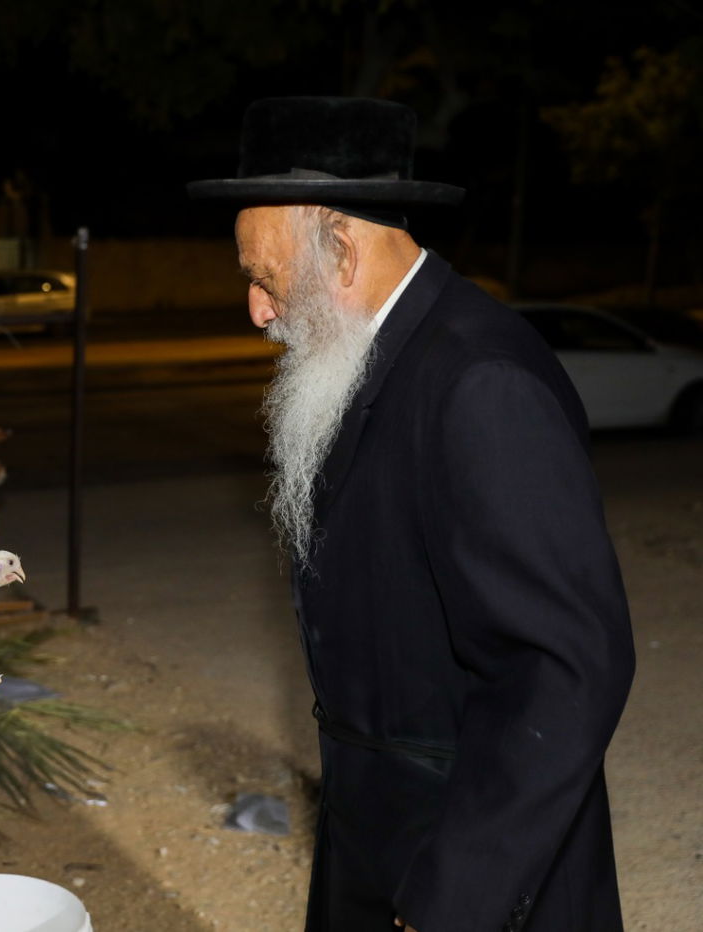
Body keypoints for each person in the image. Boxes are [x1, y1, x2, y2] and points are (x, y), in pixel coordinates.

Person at [189, 97, 635, 932]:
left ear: (344, 253)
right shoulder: (373, 355)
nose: (255, 310)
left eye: (264, 278)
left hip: (469, 870)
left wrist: (456, 894)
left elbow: (567, 668)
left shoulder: (478, 380)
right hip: (382, 838)